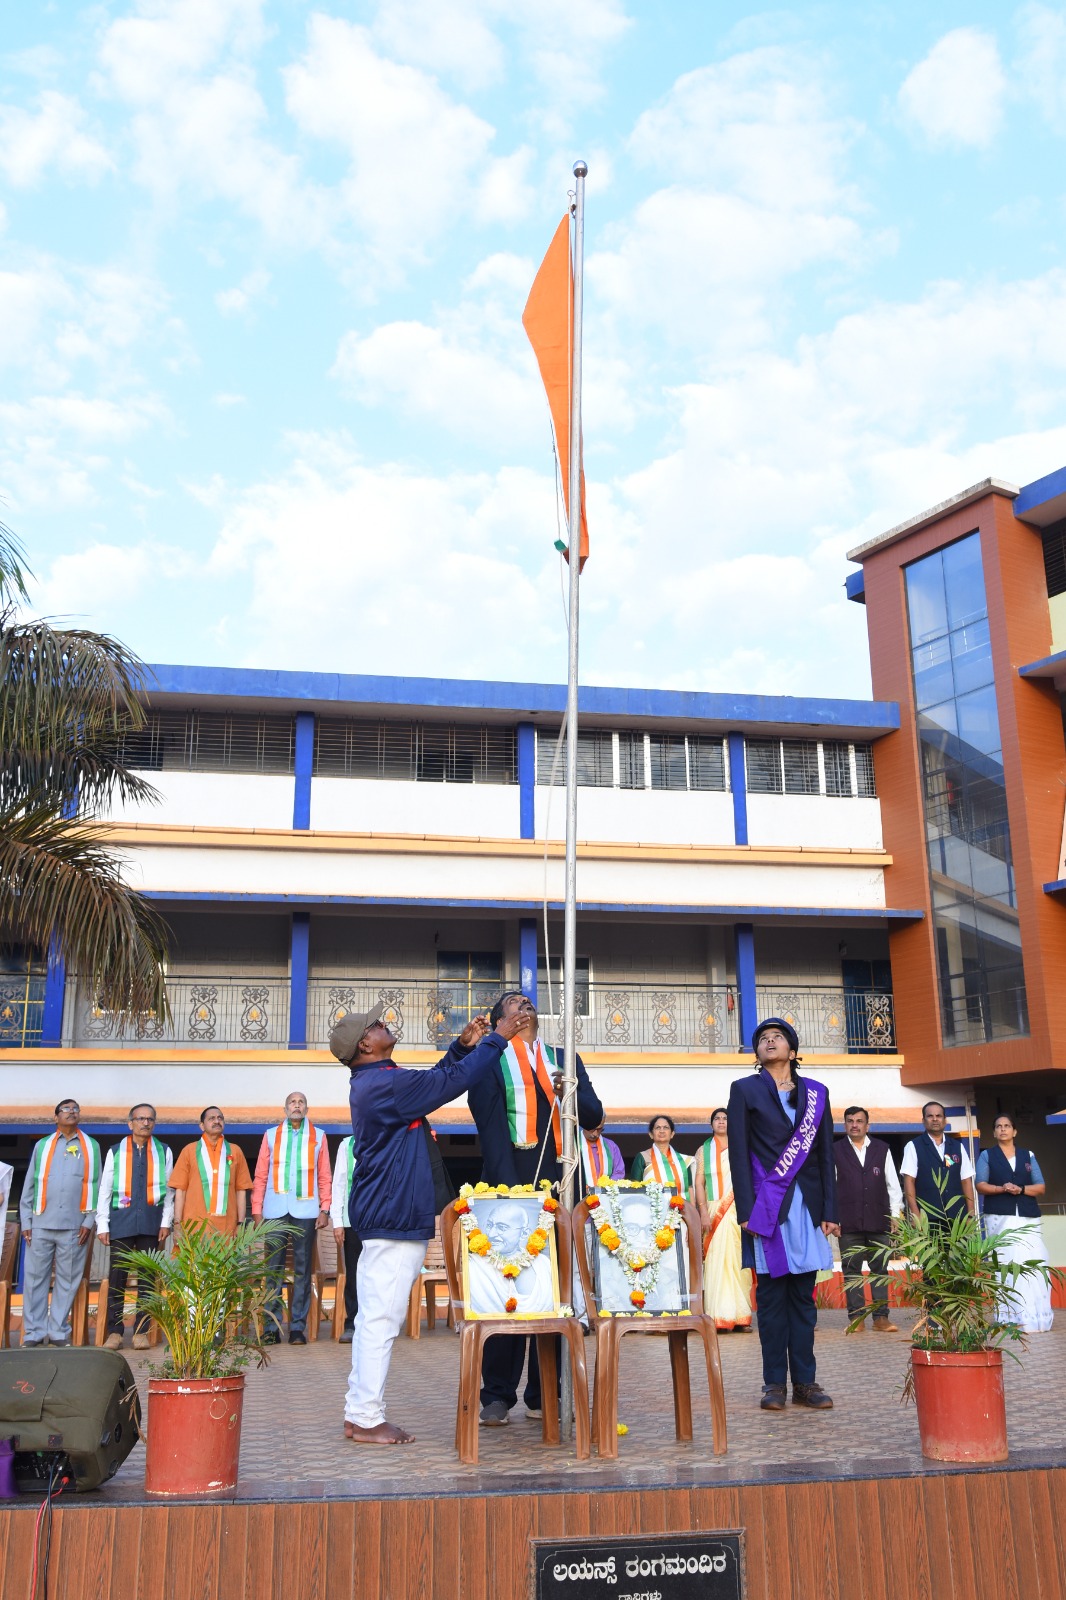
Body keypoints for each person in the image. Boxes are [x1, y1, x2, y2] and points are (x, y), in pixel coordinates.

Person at [330, 998, 528, 1446]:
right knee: (380, 1322)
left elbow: (438, 1079)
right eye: (377, 1023)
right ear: (366, 1044)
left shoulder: (379, 1081)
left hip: (386, 1215)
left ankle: (358, 1411)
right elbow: (447, 1084)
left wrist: (462, 1047)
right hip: (393, 1218)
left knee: (372, 1322)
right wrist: (499, 1037)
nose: (385, 1024)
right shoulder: (384, 1085)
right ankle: (364, 1417)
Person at [467, 990, 603, 1427]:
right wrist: (509, 1191)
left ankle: (546, 1389)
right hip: (513, 1176)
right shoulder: (491, 1057)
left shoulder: (563, 1056)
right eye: (513, 1003)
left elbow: (594, 1115)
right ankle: (498, 1394)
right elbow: (487, 1123)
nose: (525, 1007)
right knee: (510, 1283)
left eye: (528, 1002)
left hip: (562, 1178)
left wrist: (571, 1089)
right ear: (499, 1020)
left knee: (557, 1286)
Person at [728, 1018, 838, 1411]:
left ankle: (806, 1383)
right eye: (762, 1039)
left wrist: (830, 1209)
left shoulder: (818, 1094)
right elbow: (738, 1153)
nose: (769, 1042)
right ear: (757, 1053)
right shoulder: (744, 1090)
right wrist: (745, 1210)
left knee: (804, 1303)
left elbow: (825, 1154)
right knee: (772, 1301)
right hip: (766, 1207)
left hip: (807, 1209)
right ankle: (773, 1384)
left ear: (792, 1049)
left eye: (777, 1038)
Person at [252, 1092, 333, 1346]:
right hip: (274, 1210)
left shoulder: (318, 1136)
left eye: (300, 1102)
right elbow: (261, 1175)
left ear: (307, 1108)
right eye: (292, 1102)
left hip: (306, 1211)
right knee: (272, 1270)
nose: (296, 1105)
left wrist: (325, 1208)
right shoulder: (270, 1136)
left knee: (302, 1269)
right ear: (285, 1108)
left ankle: (297, 1327)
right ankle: (270, 1327)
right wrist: (256, 1210)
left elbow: (324, 1176)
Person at [19, 1100, 101, 1347]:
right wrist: (26, 1221)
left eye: (75, 1108)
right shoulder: (43, 1146)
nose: (71, 1111)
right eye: (66, 1109)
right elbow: (30, 1184)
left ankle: (57, 1332)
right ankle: (33, 1333)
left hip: (75, 1227)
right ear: (55, 1117)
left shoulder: (91, 1146)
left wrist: (89, 1220)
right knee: (34, 1280)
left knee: (67, 1281)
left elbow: (95, 1184)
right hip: (40, 1223)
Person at [95, 1103, 175, 1350]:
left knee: (147, 1279)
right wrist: (102, 1223)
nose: (145, 1123)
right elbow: (105, 1189)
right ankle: (115, 1332)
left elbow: (170, 1193)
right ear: (130, 1123)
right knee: (118, 1278)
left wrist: (165, 1222)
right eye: (140, 1118)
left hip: (151, 1223)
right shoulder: (116, 1151)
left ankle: (141, 1331)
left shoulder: (163, 1151)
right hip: (121, 1222)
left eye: (150, 1119)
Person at [975, 1113, 1053, 1333]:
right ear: (994, 1132)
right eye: (998, 1126)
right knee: (1006, 1265)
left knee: (1033, 1264)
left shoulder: (1028, 1155)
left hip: (1027, 1217)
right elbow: (980, 1184)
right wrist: (1002, 1188)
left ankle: (1037, 1318)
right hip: (1000, 1217)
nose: (1003, 1129)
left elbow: (1041, 1187)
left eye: (1007, 1126)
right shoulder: (987, 1156)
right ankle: (1010, 1317)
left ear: (1014, 1131)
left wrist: (1021, 1190)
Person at [833, 1106, 902, 1334]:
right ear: (845, 1125)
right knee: (851, 1270)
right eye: (850, 1121)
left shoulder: (882, 1149)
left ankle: (881, 1318)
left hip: (878, 1219)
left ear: (867, 1125)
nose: (855, 1124)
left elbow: (893, 1184)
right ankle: (856, 1318)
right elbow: (830, 1188)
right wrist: (832, 1218)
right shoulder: (836, 1150)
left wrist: (894, 1216)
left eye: (859, 1121)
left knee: (879, 1269)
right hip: (848, 1220)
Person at [694, 1108, 752, 1332]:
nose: (721, 1122)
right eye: (717, 1119)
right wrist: (702, 1212)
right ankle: (718, 1315)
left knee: (738, 1263)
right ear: (711, 1125)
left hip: (739, 1210)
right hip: (713, 1209)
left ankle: (741, 1316)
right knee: (716, 1262)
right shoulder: (703, 1150)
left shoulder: (743, 1147)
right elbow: (699, 1183)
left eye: (725, 1118)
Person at [170, 1106, 254, 1238]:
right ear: (202, 1126)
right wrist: (177, 1224)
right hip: (194, 1225)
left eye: (220, 1118)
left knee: (226, 1258)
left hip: (227, 1226)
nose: (217, 1121)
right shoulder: (189, 1150)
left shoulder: (235, 1151)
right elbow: (181, 1190)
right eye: (211, 1118)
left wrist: (240, 1223)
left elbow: (241, 1190)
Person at [466, 1200, 556, 1315]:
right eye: (489, 1226)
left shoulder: (543, 1265)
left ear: (524, 1233)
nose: (492, 1234)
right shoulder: (473, 1264)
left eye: (502, 1227)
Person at [901, 1102, 975, 1223]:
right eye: (930, 1116)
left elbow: (966, 1181)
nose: (935, 1119)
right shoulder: (913, 1146)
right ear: (923, 1120)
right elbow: (909, 1181)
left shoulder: (957, 1146)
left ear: (945, 1120)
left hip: (957, 1217)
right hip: (927, 1217)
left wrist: (970, 1215)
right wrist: (915, 1214)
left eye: (939, 1116)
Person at [330, 1130, 359, 1344]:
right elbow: (339, 1183)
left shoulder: (385, 1137)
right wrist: (337, 1222)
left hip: (379, 1220)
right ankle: (352, 1323)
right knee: (354, 1274)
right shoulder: (346, 1145)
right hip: (352, 1220)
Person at [630, 1114, 693, 1197]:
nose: (662, 1131)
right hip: (651, 1207)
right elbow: (634, 1188)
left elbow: (689, 1188)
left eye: (666, 1127)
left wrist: (692, 1209)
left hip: (680, 1207)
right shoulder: (642, 1157)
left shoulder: (684, 1160)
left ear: (672, 1134)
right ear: (651, 1134)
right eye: (657, 1128)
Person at [578, 1115, 624, 1188]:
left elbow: (619, 1173)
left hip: (606, 1195)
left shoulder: (611, 1146)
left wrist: (606, 1187)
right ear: (584, 1125)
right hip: (580, 1195)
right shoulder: (572, 1145)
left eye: (599, 1129)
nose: (595, 1134)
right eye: (592, 1129)